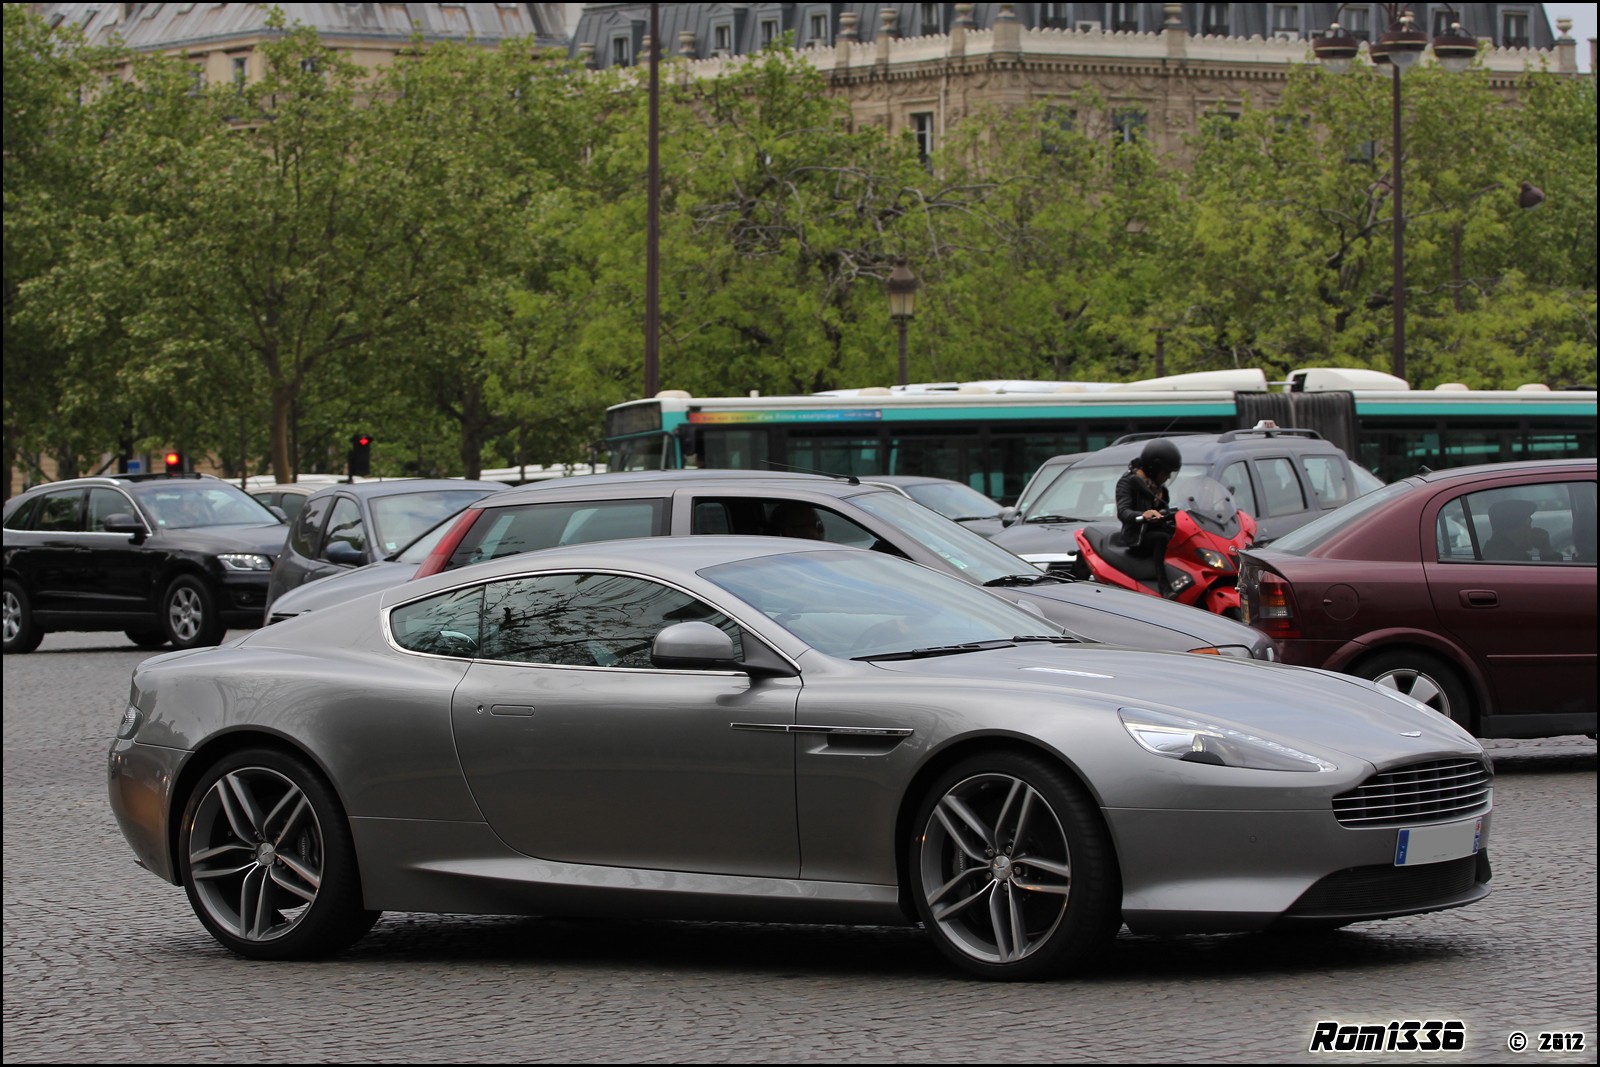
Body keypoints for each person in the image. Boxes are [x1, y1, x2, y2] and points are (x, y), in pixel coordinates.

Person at [1115, 438, 1181, 568]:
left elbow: (1165, 511)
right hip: (1136, 538)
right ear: (1154, 469)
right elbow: (1123, 512)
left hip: (1156, 531)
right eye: (1165, 473)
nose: (1167, 477)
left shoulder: (1160, 490)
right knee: (1161, 539)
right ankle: (1163, 583)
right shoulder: (1128, 483)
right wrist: (1144, 515)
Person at [1482, 498, 1554, 561]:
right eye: (1528, 525)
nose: (1532, 530)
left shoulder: (1494, 552)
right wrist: (1546, 549)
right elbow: (1551, 576)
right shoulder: (1515, 559)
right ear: (1519, 530)